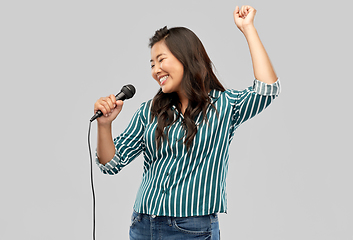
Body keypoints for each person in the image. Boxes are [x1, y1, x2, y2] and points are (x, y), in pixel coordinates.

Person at [94, 5, 280, 240]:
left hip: (191, 229)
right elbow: (111, 163)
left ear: (186, 58)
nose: (155, 70)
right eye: (152, 64)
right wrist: (105, 125)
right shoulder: (149, 111)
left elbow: (267, 89)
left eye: (161, 60)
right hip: (143, 224)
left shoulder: (223, 106)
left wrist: (248, 28)